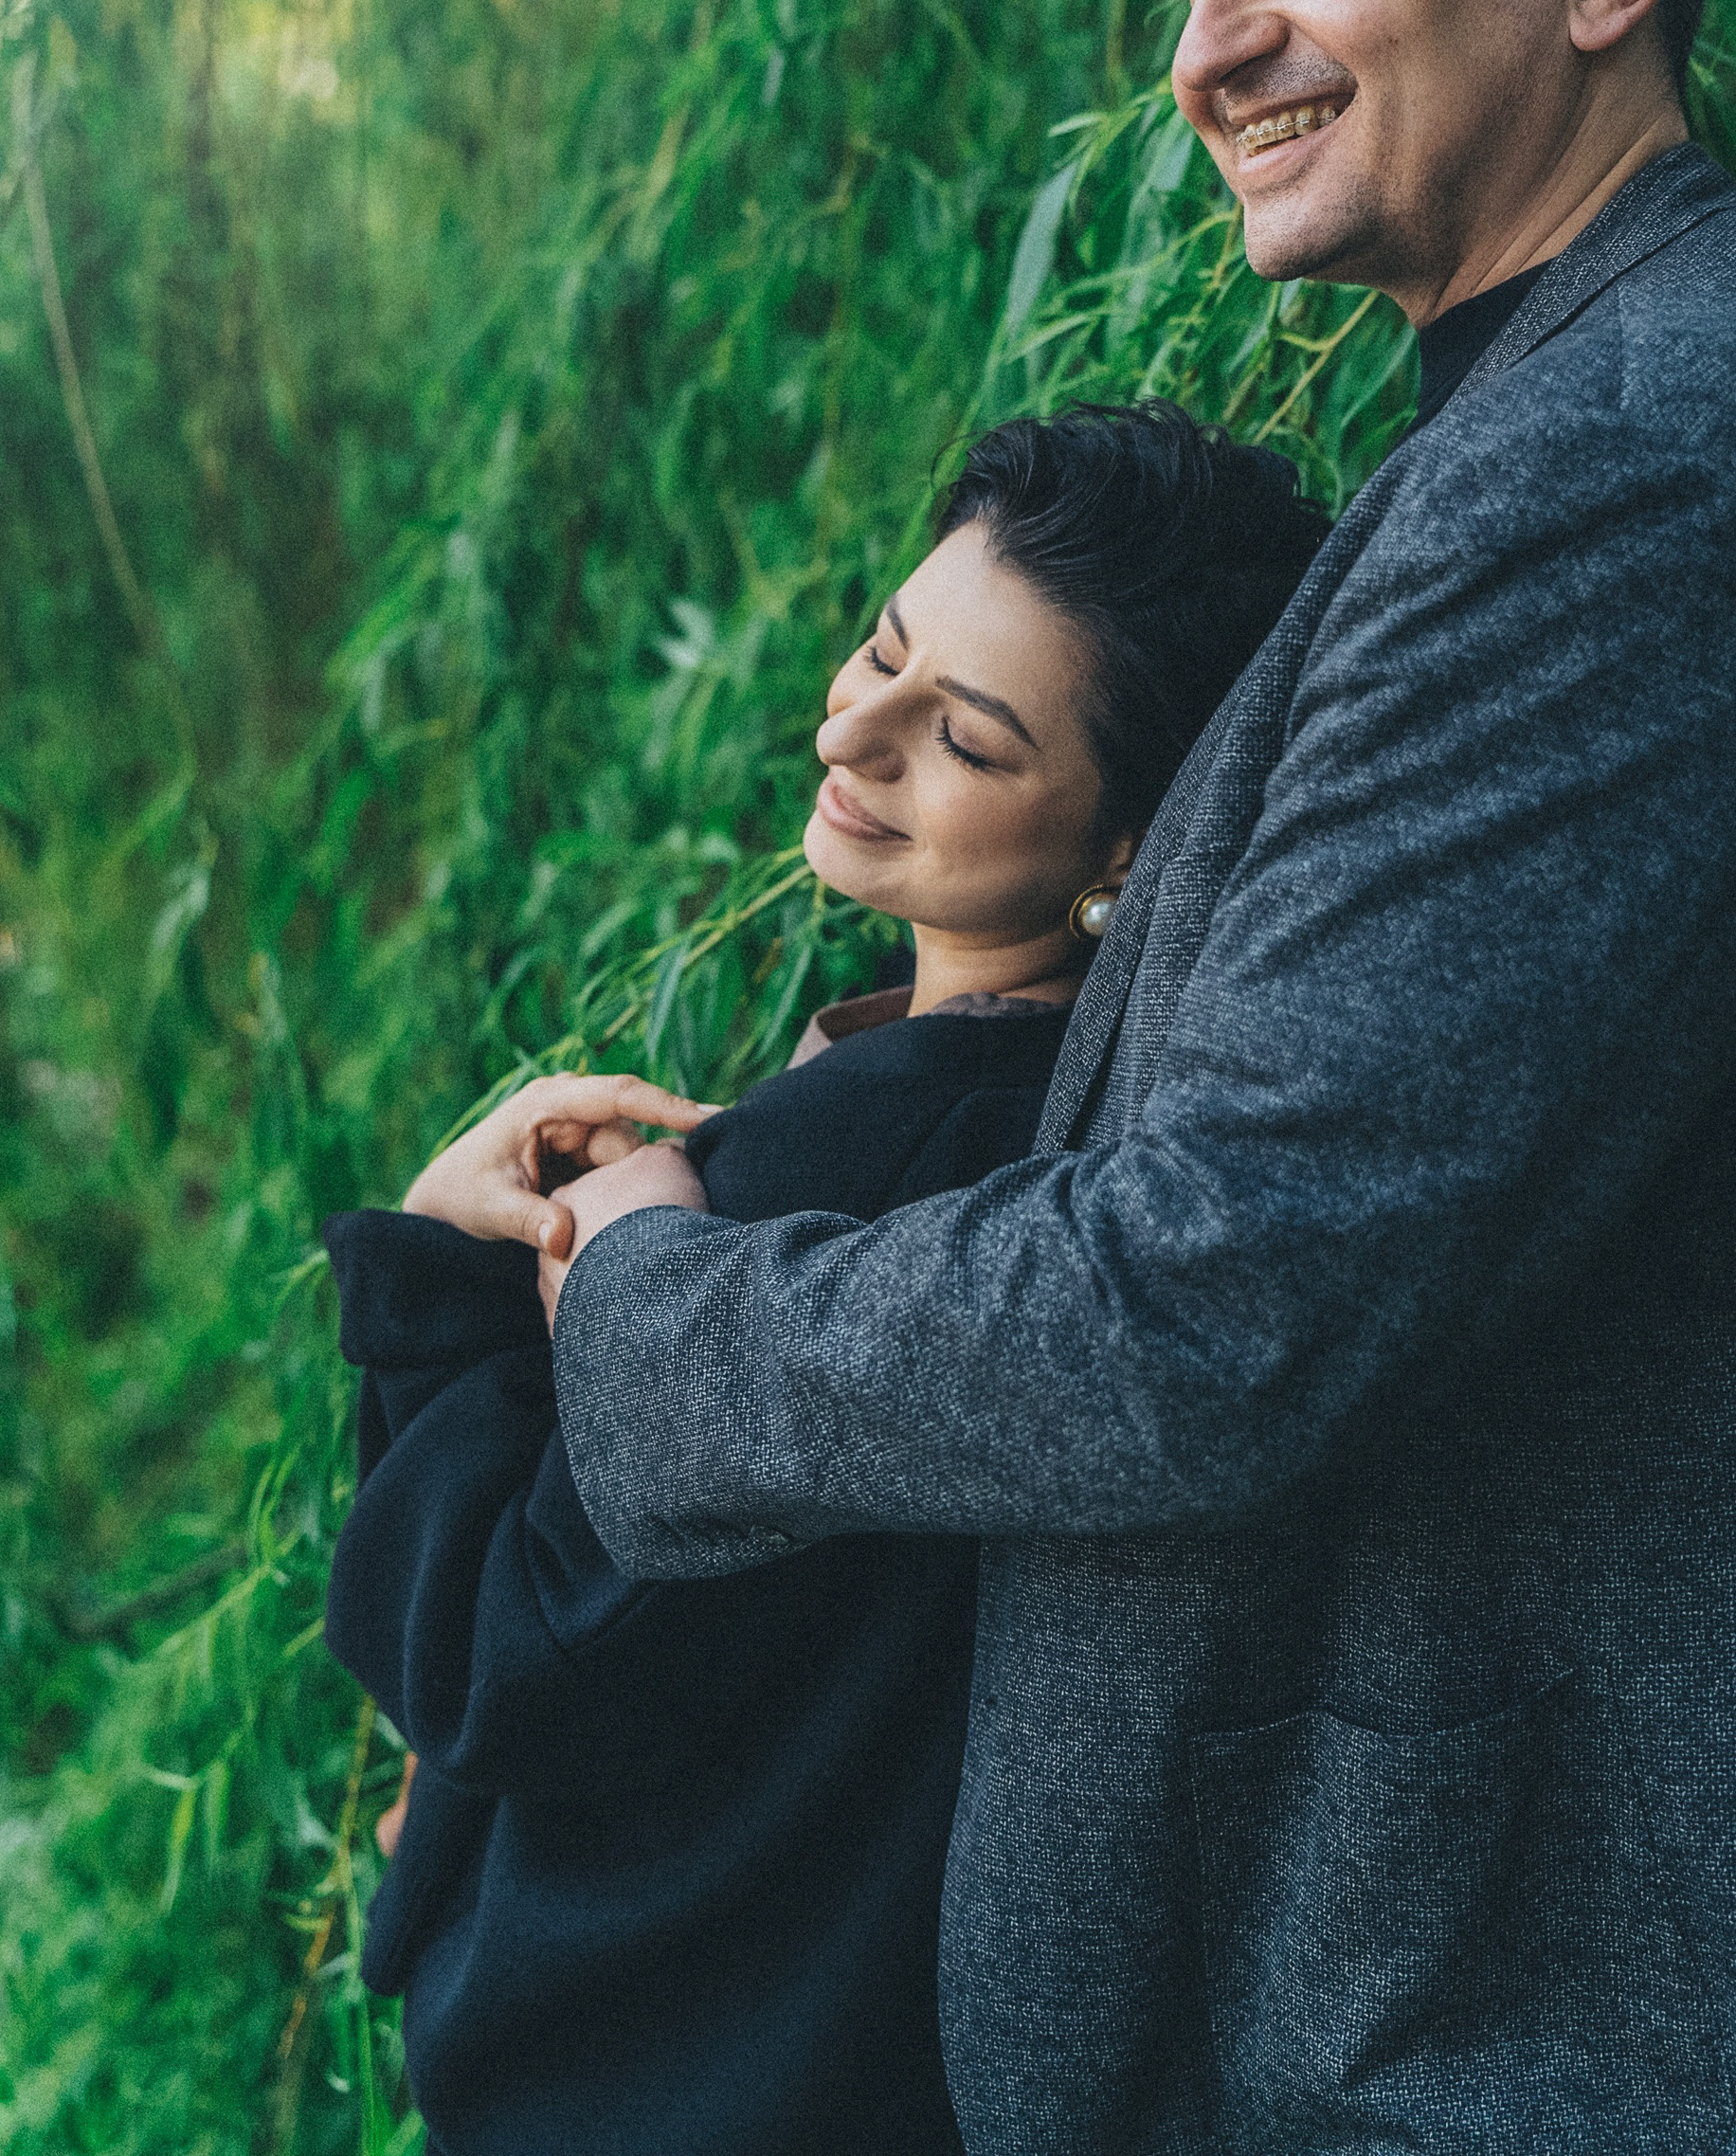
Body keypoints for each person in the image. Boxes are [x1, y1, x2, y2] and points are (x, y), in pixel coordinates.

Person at [441, 0, 1736, 2151]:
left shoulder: (1635, 462)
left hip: (1443, 2037)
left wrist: (664, 1288)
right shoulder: (1531, 426)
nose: (1207, 45)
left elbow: (1224, 1299)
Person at [321, 402, 1326, 2156]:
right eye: (882, 648)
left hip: (670, 2074)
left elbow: (509, 1659)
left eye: (968, 740)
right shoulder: (1103, 1140)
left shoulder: (851, 1186)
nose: (853, 729)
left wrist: (434, 1277)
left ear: (1122, 853)